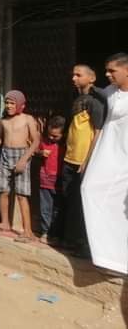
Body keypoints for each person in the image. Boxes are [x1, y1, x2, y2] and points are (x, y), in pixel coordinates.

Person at [82, 52, 128, 275]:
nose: (107, 74)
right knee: (89, 189)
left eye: (112, 71)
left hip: (124, 155)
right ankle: (107, 256)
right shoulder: (110, 92)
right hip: (108, 153)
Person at [53, 65, 104, 257]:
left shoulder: (94, 102)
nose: (73, 78)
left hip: (83, 161)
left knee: (82, 202)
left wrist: (88, 160)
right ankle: (72, 239)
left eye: (78, 75)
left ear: (92, 78)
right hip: (70, 158)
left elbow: (98, 132)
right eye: (73, 75)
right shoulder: (77, 99)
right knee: (70, 200)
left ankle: (84, 244)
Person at [0, 90, 40, 242]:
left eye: (12, 103)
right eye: (7, 103)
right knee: (3, 190)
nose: (9, 106)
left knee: (21, 194)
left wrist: (24, 159)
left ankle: (28, 231)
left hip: (22, 155)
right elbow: (0, 139)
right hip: (5, 154)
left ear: (20, 105)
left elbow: (35, 141)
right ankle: (5, 223)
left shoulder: (27, 119)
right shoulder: (3, 121)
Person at [36, 116, 65, 243]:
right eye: (50, 135)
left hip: (59, 181)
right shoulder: (44, 142)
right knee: (45, 208)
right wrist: (40, 153)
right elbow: (35, 150)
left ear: (63, 134)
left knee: (57, 210)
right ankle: (45, 232)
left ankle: (56, 234)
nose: (51, 138)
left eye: (55, 136)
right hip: (45, 180)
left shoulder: (66, 146)